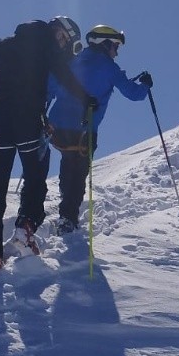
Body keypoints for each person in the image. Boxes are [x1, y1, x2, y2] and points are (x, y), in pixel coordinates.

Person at [0, 16, 95, 270]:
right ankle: (25, 227)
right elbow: (67, 78)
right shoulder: (49, 49)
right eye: (64, 39)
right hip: (28, 125)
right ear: (57, 31)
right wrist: (88, 100)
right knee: (36, 178)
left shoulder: (6, 44)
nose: (62, 44)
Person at [46, 24, 153, 233]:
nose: (116, 51)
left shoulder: (72, 60)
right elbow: (134, 93)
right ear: (104, 44)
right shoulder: (109, 68)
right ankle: (68, 217)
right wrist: (146, 85)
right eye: (115, 46)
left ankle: (64, 204)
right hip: (85, 129)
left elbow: (51, 85)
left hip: (57, 126)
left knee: (68, 162)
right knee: (79, 172)